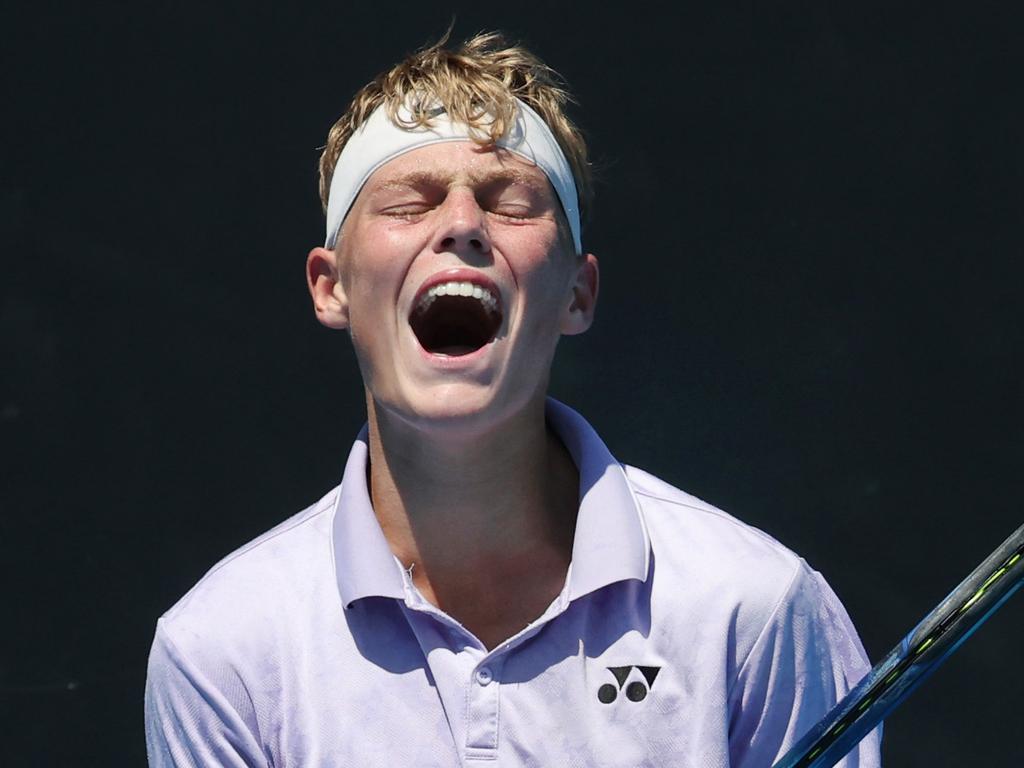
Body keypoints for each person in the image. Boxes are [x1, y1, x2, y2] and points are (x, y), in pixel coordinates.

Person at [144, 30, 882, 767]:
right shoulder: (221, 651)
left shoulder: (753, 609)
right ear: (330, 286)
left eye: (512, 203)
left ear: (577, 292)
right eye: (410, 202)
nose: (462, 225)